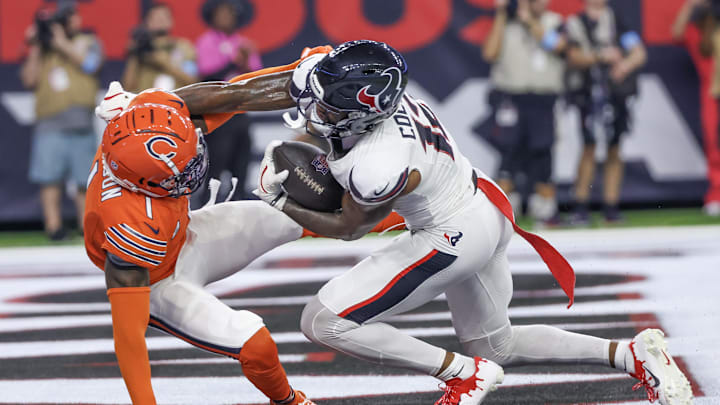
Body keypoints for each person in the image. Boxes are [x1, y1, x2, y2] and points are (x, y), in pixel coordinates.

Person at [252, 40, 693, 405]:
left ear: (366, 111)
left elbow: (350, 226)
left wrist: (280, 202)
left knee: (322, 320)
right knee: (496, 345)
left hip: (451, 234)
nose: (317, 110)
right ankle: (632, 354)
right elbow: (337, 140)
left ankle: (462, 375)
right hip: (482, 206)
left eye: (330, 106)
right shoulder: (389, 101)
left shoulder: (376, 164)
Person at [86, 47, 334, 405]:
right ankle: (290, 401)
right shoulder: (129, 229)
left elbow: (235, 95)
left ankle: (416, 215)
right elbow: (129, 338)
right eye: (180, 174)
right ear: (145, 184)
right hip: (159, 279)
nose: (194, 169)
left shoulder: (148, 115)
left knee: (297, 214)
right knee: (256, 344)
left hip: (182, 234)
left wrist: (303, 73)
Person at [20, 2, 103, 240]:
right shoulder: (43, 49)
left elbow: (92, 65)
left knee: (84, 180)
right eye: (65, 17)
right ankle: (53, 227)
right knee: (49, 179)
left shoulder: (89, 42)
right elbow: (28, 79)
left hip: (81, 123)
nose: (71, 21)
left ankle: (86, 226)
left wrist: (61, 43)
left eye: (72, 16)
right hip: (50, 123)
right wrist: (36, 46)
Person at [482, 0, 567, 226]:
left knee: (543, 153)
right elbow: (489, 53)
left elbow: (559, 47)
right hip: (512, 97)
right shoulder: (508, 23)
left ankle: (546, 211)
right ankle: (503, 212)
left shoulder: (555, 22)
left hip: (543, 98)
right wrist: (501, 14)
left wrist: (529, 22)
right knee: (508, 153)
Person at [565, 0, 647, 224]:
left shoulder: (617, 20)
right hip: (588, 94)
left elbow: (638, 53)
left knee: (614, 148)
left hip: (614, 94)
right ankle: (580, 205)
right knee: (589, 147)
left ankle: (611, 205)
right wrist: (601, 56)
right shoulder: (575, 23)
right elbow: (572, 56)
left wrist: (624, 66)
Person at [193, 0, 263, 202]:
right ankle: (206, 207)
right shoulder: (206, 41)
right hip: (218, 113)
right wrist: (235, 62)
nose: (227, 17)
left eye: (231, 13)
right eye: (222, 13)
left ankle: (238, 207)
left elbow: (255, 78)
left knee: (241, 165)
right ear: (213, 16)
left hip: (240, 111)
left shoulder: (243, 43)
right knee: (215, 165)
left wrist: (245, 64)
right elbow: (206, 77)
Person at [672, 0, 720, 217]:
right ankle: (716, 195)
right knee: (714, 147)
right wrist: (690, 6)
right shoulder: (702, 34)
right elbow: (677, 34)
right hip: (712, 96)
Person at [122, 2, 197, 93]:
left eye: (164, 17)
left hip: (176, 101)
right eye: (155, 18)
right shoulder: (141, 47)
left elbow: (192, 81)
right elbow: (127, 88)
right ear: (147, 22)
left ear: (172, 20)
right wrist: (134, 54)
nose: (160, 20)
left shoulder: (183, 47)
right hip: (146, 103)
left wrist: (165, 64)